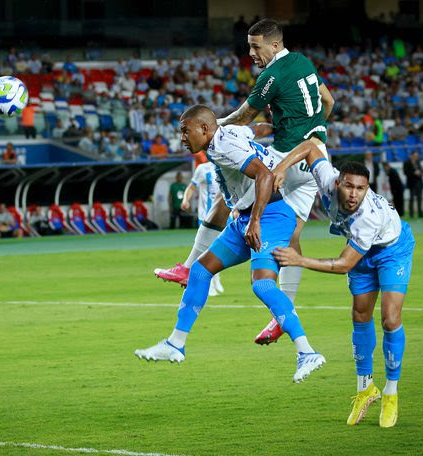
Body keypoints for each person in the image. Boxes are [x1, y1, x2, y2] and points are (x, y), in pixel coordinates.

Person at [154, 18, 335, 344]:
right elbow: (329, 102)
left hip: (288, 158)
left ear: (275, 45)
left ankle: (190, 264)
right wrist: (312, 131)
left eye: (256, 46)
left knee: (234, 194)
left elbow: (243, 116)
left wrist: (210, 128)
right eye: (249, 46)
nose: (250, 53)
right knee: (290, 238)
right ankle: (283, 315)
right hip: (315, 156)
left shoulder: (272, 74)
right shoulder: (304, 63)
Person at [135, 105, 325, 384]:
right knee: (200, 272)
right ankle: (175, 343)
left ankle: (307, 352)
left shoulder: (224, 147)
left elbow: (265, 175)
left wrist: (256, 221)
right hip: (248, 216)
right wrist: (272, 131)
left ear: (204, 129)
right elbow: (255, 129)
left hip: (270, 216)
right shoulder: (229, 132)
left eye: (185, 131)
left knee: (262, 285)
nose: (182, 138)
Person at [270, 143, 414, 428]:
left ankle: (390, 392)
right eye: (349, 187)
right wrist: (280, 168)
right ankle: (365, 389)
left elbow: (344, 264)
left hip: (392, 250)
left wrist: (300, 260)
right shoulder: (326, 178)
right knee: (360, 316)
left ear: (367, 189)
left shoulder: (367, 217)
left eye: (361, 189)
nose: (353, 194)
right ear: (337, 182)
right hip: (359, 250)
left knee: (389, 319)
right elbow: (311, 147)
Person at [177, 160, 224, 296]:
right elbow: (192, 187)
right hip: (206, 217)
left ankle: (216, 279)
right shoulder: (203, 169)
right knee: (208, 251)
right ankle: (208, 283)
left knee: (218, 249)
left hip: (222, 216)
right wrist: (186, 200)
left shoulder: (227, 165)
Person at [403, 150, 423, 217]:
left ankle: (420, 213)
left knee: (419, 199)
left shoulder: (418, 162)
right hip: (412, 183)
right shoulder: (406, 163)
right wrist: (414, 173)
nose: (416, 157)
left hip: (419, 183)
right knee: (411, 199)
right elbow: (406, 172)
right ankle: (411, 213)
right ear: (411, 156)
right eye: (415, 156)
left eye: (417, 156)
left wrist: (421, 173)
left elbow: (422, 170)